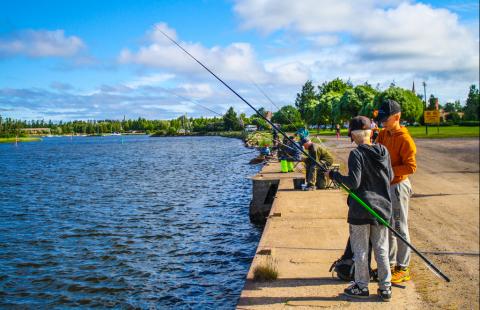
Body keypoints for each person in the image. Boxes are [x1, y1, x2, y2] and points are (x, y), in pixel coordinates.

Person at [327, 116, 394, 301]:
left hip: (361, 210)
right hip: (382, 209)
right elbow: (391, 176)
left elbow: (353, 183)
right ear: (370, 132)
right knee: (381, 248)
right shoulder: (384, 151)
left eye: (352, 135)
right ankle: (385, 288)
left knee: (361, 250)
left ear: (355, 135)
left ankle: (362, 286)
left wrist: (334, 175)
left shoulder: (356, 154)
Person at [375, 99, 416, 284]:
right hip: (385, 186)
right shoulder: (384, 134)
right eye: (381, 119)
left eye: (386, 119)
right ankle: (390, 264)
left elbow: (411, 166)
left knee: (400, 227)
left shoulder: (405, 139)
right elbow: (376, 151)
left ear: (397, 117)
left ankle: (403, 267)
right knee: (388, 226)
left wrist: (389, 171)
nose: (382, 122)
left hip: (398, 187)